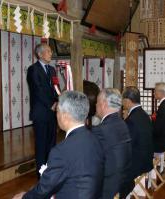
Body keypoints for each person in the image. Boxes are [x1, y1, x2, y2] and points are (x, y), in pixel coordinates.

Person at [13, 91, 104, 199]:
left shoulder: (61, 151)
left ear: (65, 116)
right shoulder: (95, 139)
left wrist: (24, 197)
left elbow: (45, 189)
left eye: (57, 111)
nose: (56, 115)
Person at [92, 88, 132, 199]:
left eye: (97, 102)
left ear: (103, 104)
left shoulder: (100, 130)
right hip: (123, 181)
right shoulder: (122, 124)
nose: (95, 105)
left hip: (108, 187)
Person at [27, 43, 58, 178]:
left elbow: (55, 87)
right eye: (48, 51)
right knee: (41, 144)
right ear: (40, 54)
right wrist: (51, 104)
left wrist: (58, 101)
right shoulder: (33, 70)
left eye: (51, 51)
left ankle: (49, 170)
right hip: (40, 112)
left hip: (52, 112)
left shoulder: (52, 70)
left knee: (51, 143)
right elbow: (37, 90)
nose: (51, 54)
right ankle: (41, 174)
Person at [120, 86, 154, 197]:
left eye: (122, 100)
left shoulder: (132, 120)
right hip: (147, 159)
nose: (122, 103)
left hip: (138, 163)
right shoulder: (144, 115)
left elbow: (126, 147)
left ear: (128, 101)